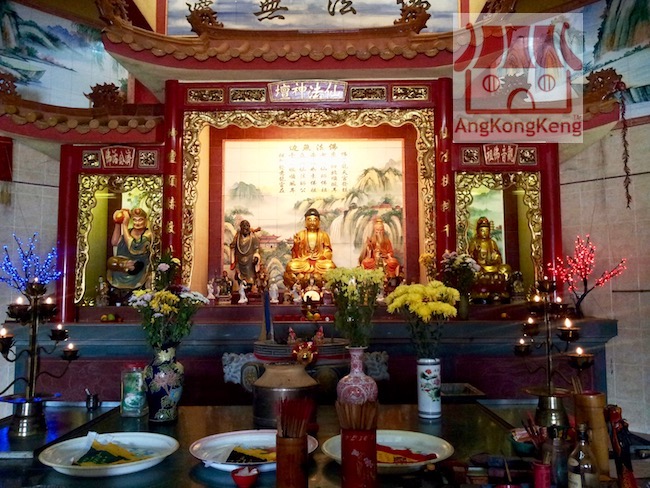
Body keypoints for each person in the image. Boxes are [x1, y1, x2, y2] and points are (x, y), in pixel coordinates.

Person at [283, 208, 336, 288]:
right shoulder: (301, 234)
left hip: (319, 262)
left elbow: (328, 251)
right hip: (305, 261)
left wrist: (322, 256)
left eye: (315, 220)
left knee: (330, 265)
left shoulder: (323, 235)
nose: (312, 222)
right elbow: (295, 255)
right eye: (309, 220)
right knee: (291, 266)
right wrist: (296, 245)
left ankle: (302, 279)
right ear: (305, 222)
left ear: (319, 222)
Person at [107, 207, 152, 290]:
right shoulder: (128, 232)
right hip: (123, 267)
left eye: (140, 220)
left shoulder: (148, 234)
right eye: (135, 220)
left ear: (145, 221)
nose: (137, 223)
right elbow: (114, 242)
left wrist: (124, 225)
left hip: (139, 267)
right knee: (111, 262)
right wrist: (117, 223)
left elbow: (134, 247)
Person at [467, 216, 511, 301]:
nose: (484, 233)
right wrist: (476, 253)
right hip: (481, 268)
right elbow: (470, 257)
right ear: (478, 231)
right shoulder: (475, 242)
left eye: (487, 230)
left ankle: (500, 291)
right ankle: (480, 292)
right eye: (482, 230)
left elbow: (498, 256)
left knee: (506, 269)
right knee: (477, 275)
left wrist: (496, 257)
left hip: (492, 267)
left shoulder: (492, 242)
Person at [229, 220, 261, 285]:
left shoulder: (253, 237)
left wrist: (256, 256)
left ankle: (250, 284)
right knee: (240, 278)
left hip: (250, 261)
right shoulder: (237, 237)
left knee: (250, 279)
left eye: (246, 227)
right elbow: (233, 246)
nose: (245, 229)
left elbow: (256, 248)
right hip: (239, 260)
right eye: (243, 227)